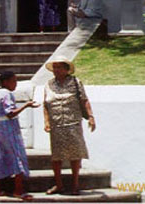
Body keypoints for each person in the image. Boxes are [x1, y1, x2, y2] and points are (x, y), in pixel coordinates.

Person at [43, 58, 96, 196]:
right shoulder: (49, 84)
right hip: (56, 124)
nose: (56, 70)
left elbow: (84, 100)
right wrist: (47, 122)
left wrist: (91, 116)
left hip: (73, 122)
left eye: (59, 67)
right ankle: (59, 185)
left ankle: (75, 184)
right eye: (54, 67)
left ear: (66, 69)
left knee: (75, 154)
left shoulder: (75, 82)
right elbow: (45, 104)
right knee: (56, 156)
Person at [0, 69, 39, 200]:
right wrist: (26, 105)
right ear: (6, 82)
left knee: (1, 158)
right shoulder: (7, 94)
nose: (15, 84)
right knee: (17, 157)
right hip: (10, 130)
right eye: (13, 81)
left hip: (0, 130)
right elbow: (10, 113)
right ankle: (18, 190)